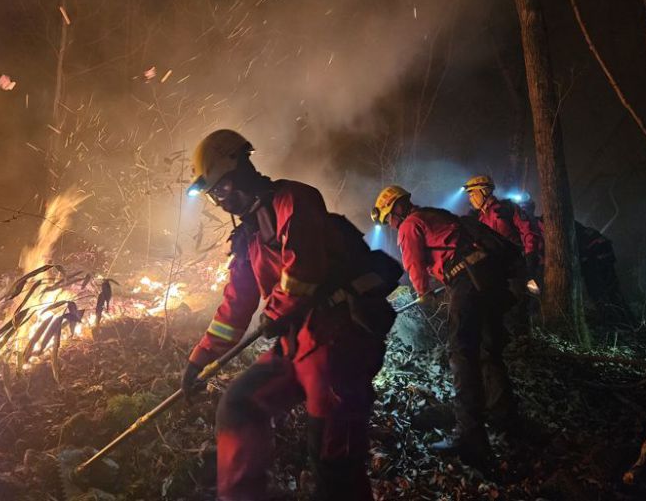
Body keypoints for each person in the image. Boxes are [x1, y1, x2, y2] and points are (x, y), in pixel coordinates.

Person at [181, 129, 399, 501]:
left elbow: (304, 267)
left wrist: (278, 310)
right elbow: (236, 304)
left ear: (238, 169)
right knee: (240, 403)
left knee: (334, 459)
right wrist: (200, 358)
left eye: (219, 190)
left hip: (337, 341)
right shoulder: (248, 236)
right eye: (213, 195)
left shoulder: (294, 199)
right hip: (295, 343)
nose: (219, 201)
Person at [372, 185, 519, 469]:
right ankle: (506, 422)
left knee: (462, 354)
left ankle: (471, 437)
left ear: (398, 208)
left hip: (468, 283)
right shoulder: (434, 215)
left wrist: (422, 292)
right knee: (488, 351)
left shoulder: (410, 224)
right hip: (487, 279)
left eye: (389, 217)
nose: (390, 225)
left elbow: (413, 264)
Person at [464, 176, 543, 332]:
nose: (470, 198)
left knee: (520, 305)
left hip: (518, 265)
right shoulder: (479, 219)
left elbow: (528, 232)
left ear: (484, 191)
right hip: (497, 270)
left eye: (473, 193)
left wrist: (530, 257)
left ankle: (525, 340)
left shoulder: (507, 209)